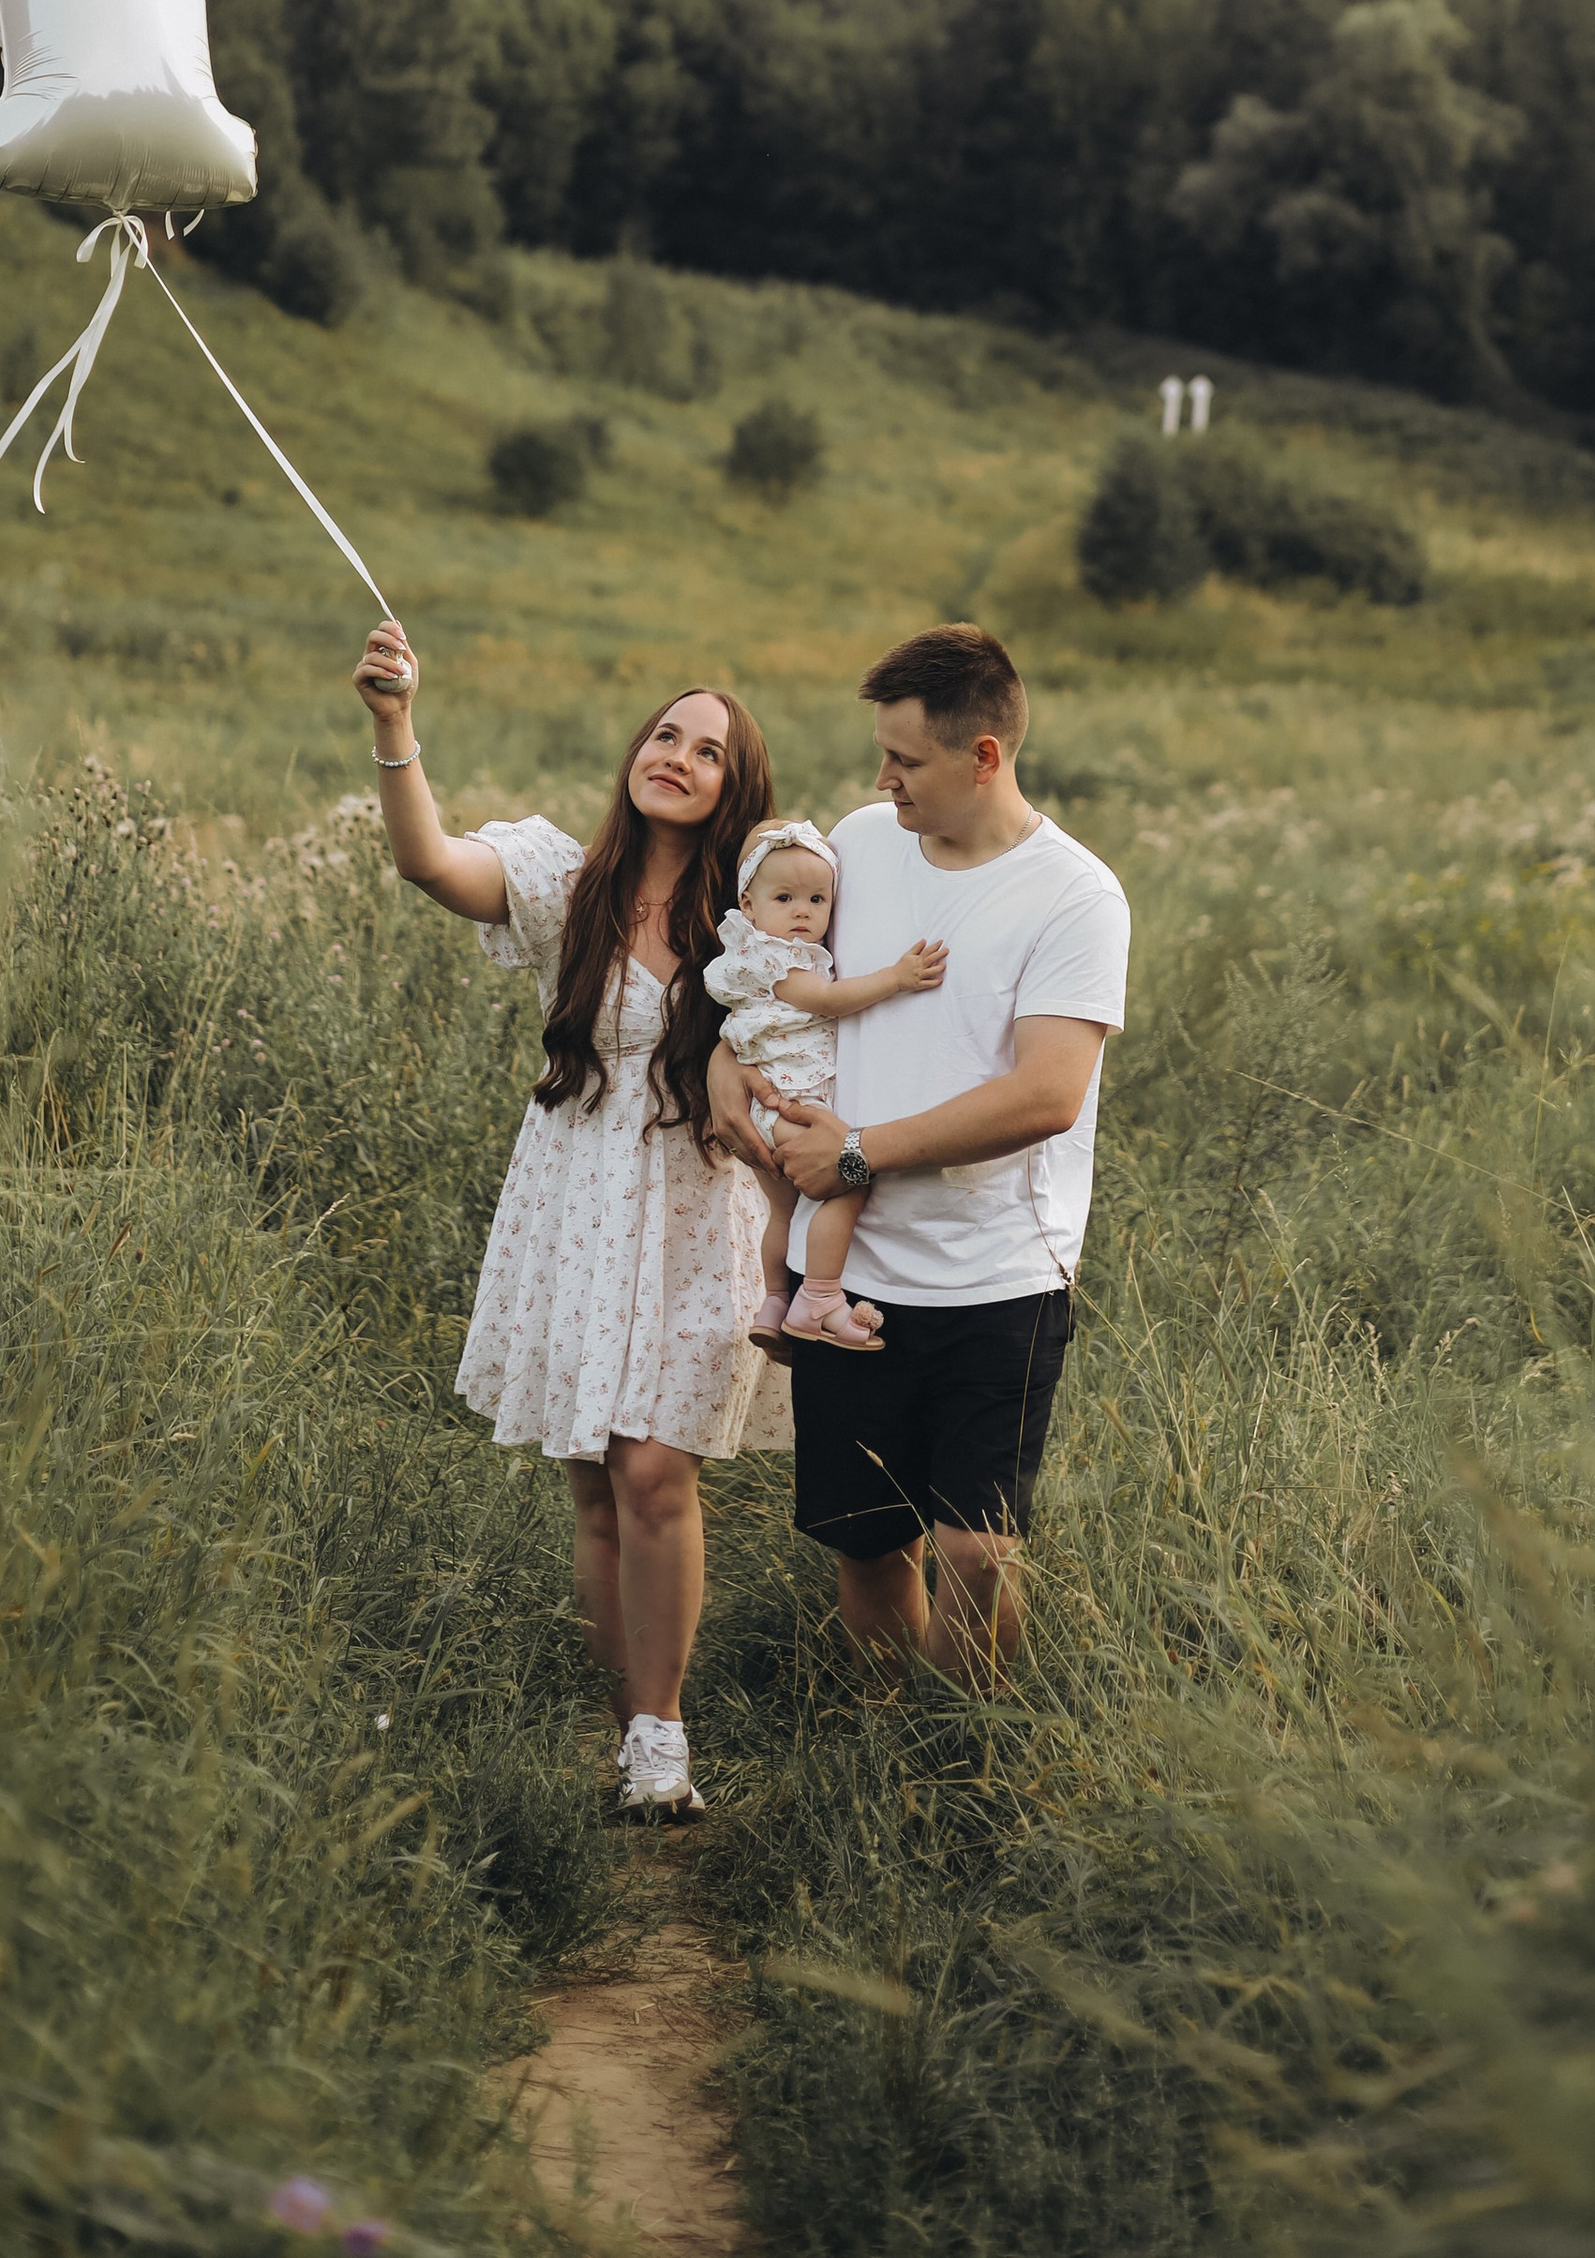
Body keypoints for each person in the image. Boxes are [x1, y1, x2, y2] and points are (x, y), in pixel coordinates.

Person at [351, 612, 792, 1824]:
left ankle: (663, 1732)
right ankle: (630, 1735)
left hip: (701, 1210)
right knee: (597, 1482)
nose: (676, 756)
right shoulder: (562, 880)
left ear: (732, 788)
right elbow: (430, 862)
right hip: (577, 1201)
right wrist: (396, 727)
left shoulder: (754, 924)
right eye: (665, 734)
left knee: (657, 1473)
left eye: (706, 752)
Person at [708, 623, 1127, 1688]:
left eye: (905, 759)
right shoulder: (858, 841)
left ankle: (961, 1750)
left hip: (998, 1271)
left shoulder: (1074, 895)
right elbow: (775, 983)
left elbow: (1046, 1093)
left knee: (977, 1550)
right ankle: (896, 1752)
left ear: (983, 755)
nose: (880, 779)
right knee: (867, 1543)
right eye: (881, 755)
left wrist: (856, 1154)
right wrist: (725, 1078)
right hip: (845, 1276)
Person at [703, 816, 949, 1353]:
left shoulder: (751, 952)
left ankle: (773, 1302)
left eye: (817, 900)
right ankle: (819, 1299)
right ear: (748, 905)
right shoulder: (779, 959)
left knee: (785, 1211)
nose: (801, 912)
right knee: (849, 1177)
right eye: (785, 898)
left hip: (766, 1109)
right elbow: (828, 1001)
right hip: (789, 1107)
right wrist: (897, 977)